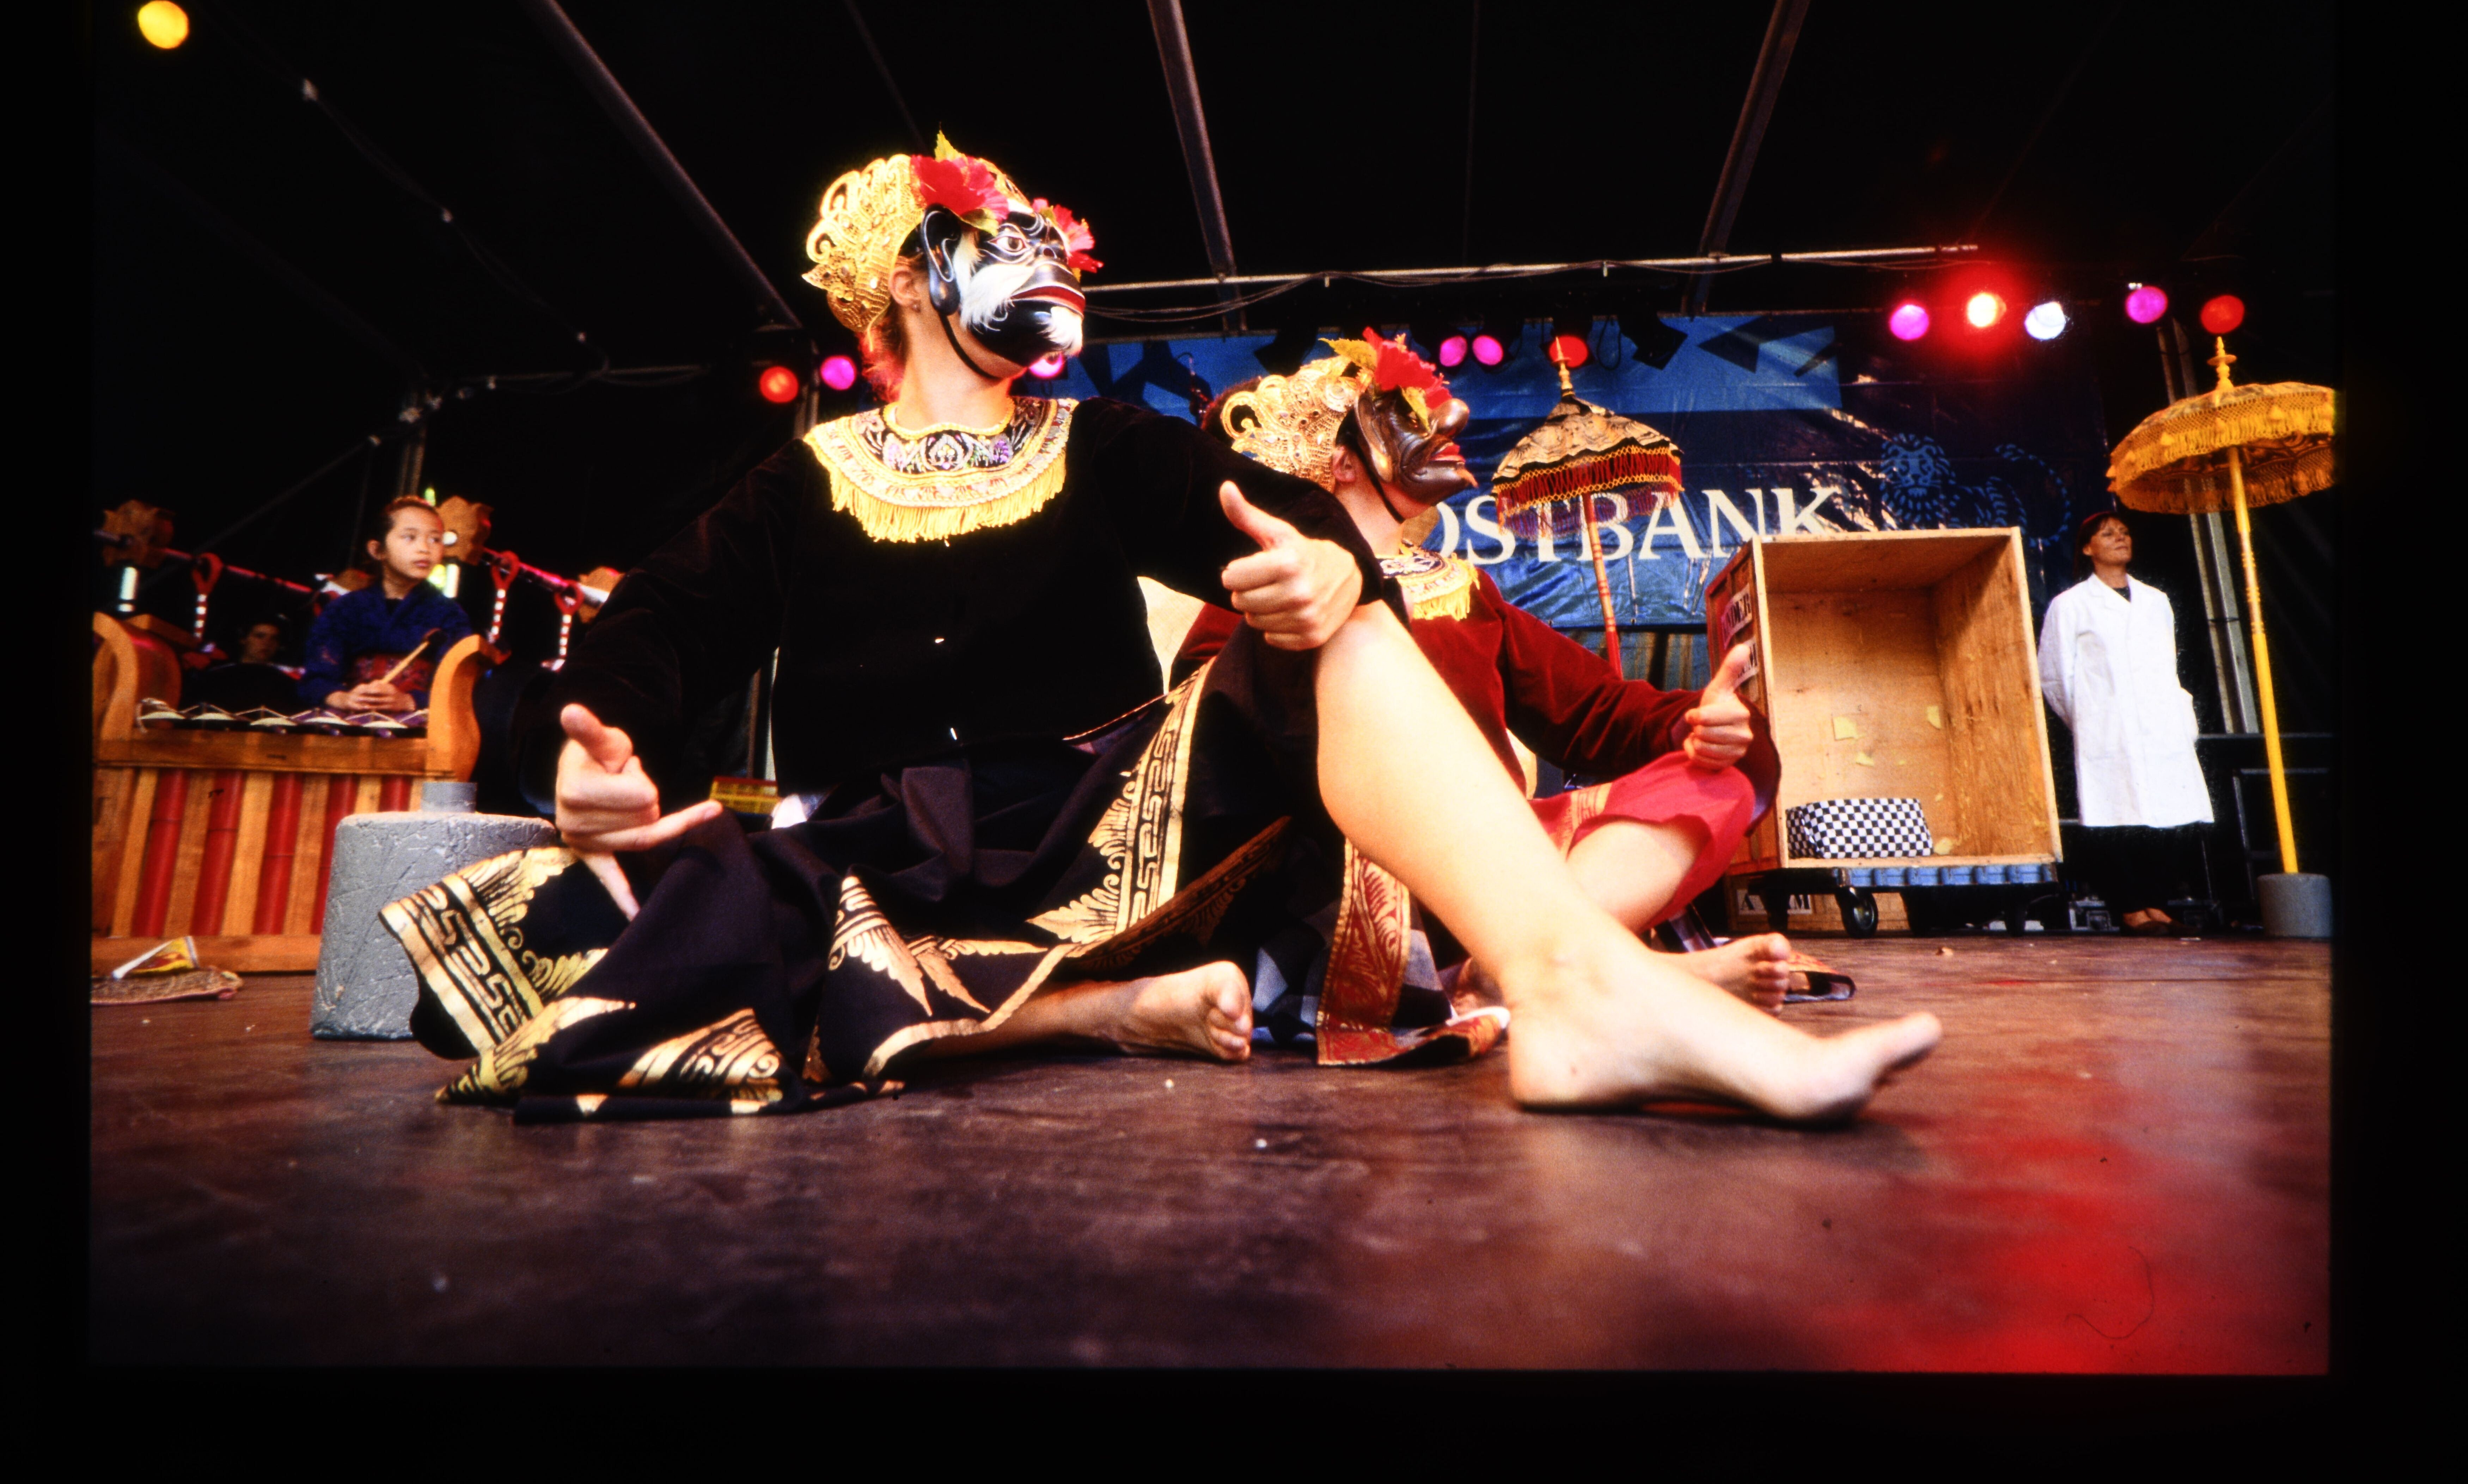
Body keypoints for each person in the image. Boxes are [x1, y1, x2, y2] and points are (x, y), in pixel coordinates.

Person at [380, 139, 1938, 1125]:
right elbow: (659, 628)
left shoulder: (1104, 445)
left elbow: (1271, 510)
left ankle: (1569, 989)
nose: (1047, 264)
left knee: (1325, 625)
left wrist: (1327, 569)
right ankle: (1092, 1016)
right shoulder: (800, 483)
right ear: (909, 281)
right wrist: (605, 740)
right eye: (1002, 237)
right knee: (669, 907)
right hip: (885, 854)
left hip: (1108, 829)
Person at [1179, 334, 1798, 1016]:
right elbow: (1194, 749)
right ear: (1341, 460)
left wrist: (1698, 725)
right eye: (1405, 417)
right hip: (1348, 866)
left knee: (1721, 775)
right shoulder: (1263, 588)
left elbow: (1600, 712)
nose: (1451, 422)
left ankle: (1517, 966)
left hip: (1499, 864)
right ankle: (1576, 967)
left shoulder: (1468, 590)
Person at [2038, 510, 2213, 934]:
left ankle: (2157, 903)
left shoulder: (2156, 600)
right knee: (2114, 814)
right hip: (2106, 726)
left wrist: (2177, 713)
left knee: (2171, 813)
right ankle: (2130, 906)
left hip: (2161, 723)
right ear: (2087, 548)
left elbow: (2168, 662)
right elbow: (2055, 675)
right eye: (2108, 534)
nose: (2120, 538)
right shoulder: (2070, 605)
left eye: (2124, 532)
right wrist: (2090, 718)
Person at [300, 497, 473, 715]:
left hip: (419, 720)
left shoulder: (450, 615)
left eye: (435, 539)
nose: (425, 549)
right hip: (350, 717)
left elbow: (459, 686)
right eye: (410, 537)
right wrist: (344, 698)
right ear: (378, 550)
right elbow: (316, 679)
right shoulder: (344, 610)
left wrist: (409, 701)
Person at [190, 617, 303, 713]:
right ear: (244, 640)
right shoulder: (218, 675)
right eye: (260, 636)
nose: (267, 643)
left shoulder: (288, 678)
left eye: (274, 638)